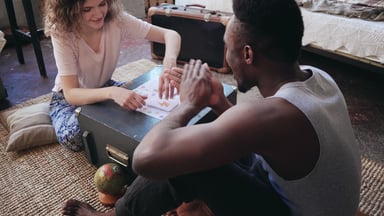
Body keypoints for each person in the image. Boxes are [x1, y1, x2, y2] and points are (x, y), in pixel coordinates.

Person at [62, 0, 362, 215]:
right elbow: (266, 139)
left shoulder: (273, 115)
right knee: (207, 141)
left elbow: (145, 159)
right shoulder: (318, 77)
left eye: (226, 48)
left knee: (189, 163)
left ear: (246, 54)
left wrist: (189, 105)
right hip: (311, 200)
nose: (225, 57)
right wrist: (218, 101)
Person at [43, 0, 181, 151]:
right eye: (87, 9)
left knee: (144, 107)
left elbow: (171, 35)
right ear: (70, 11)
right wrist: (113, 92)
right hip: (69, 101)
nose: (98, 14)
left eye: (102, 4)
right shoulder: (62, 32)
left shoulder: (117, 19)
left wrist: (169, 61)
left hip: (105, 87)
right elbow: (71, 93)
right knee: (74, 138)